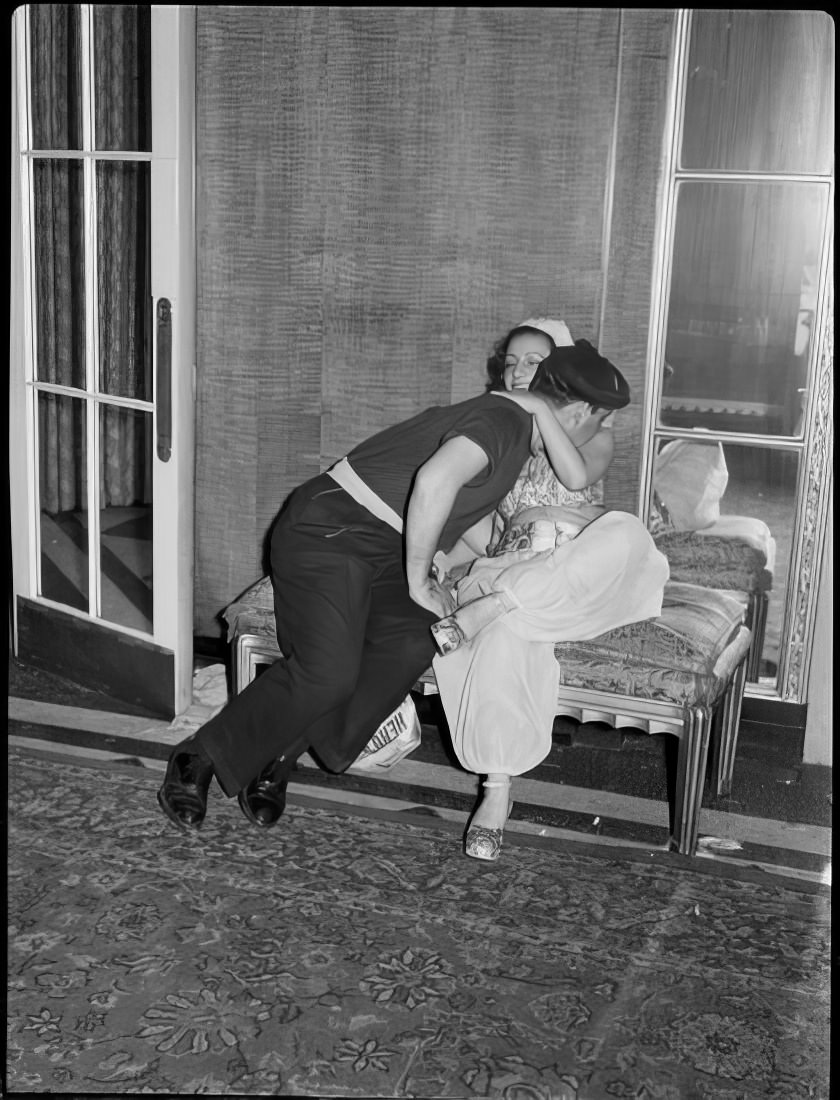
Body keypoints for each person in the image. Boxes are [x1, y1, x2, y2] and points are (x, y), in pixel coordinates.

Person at [156, 344, 604, 833]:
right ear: (579, 411)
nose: (588, 438)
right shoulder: (504, 420)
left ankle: (278, 750)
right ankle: (196, 758)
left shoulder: (515, 430)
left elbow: (546, 487)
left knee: (419, 635)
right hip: (333, 529)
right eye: (592, 425)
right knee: (329, 672)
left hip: (381, 549)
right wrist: (417, 581)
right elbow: (434, 482)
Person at [431, 341, 670, 862]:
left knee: (627, 533)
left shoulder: (596, 442)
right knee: (505, 634)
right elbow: (481, 525)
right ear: (580, 407)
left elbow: (577, 477)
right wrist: (444, 555)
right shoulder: (505, 434)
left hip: (577, 577)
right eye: (593, 414)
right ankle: (496, 793)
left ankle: (497, 606)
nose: (597, 422)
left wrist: (540, 411)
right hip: (510, 567)